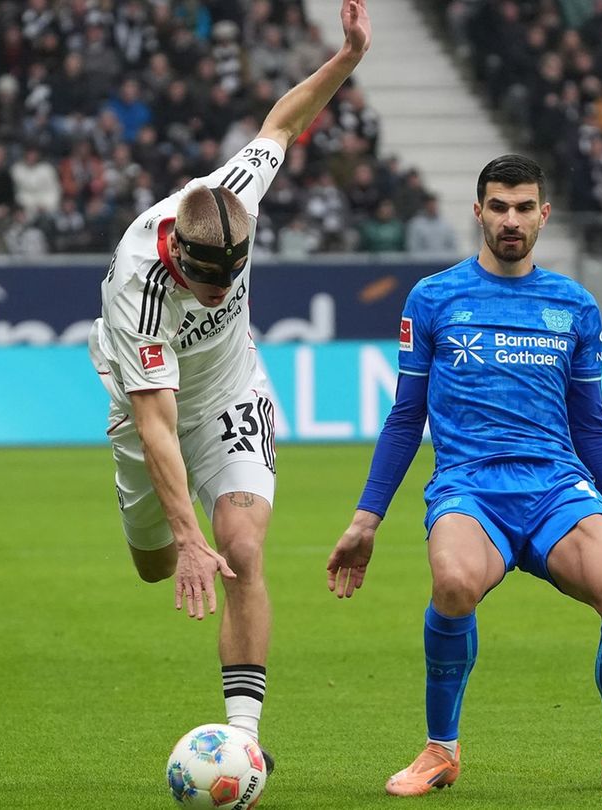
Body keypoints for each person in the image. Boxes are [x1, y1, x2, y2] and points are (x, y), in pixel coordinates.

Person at [326, 155, 602, 796]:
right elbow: (407, 418)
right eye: (498, 206)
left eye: (523, 208)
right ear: (479, 212)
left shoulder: (574, 305)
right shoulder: (433, 298)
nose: (510, 219)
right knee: (454, 582)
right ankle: (440, 751)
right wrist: (364, 519)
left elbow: (592, 426)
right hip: (469, 486)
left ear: (543, 215)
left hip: (555, 488)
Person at [87, 0, 372, 770]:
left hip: (232, 395)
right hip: (148, 415)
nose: (218, 298)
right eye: (205, 287)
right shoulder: (139, 289)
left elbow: (282, 124)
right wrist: (182, 537)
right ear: (177, 254)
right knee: (154, 566)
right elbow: (154, 422)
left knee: (241, 546)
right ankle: (166, 537)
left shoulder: (232, 195)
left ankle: (243, 738)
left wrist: (346, 59)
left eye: (229, 286)